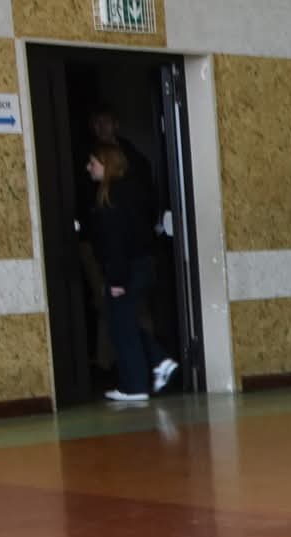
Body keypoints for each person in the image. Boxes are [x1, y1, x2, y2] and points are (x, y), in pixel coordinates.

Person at [79, 143, 175, 403]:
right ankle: (159, 361)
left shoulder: (111, 198)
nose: (88, 167)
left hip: (126, 269)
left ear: (106, 164)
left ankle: (135, 385)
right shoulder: (130, 192)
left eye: (93, 162)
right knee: (124, 322)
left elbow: (116, 242)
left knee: (121, 325)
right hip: (141, 265)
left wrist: (117, 279)